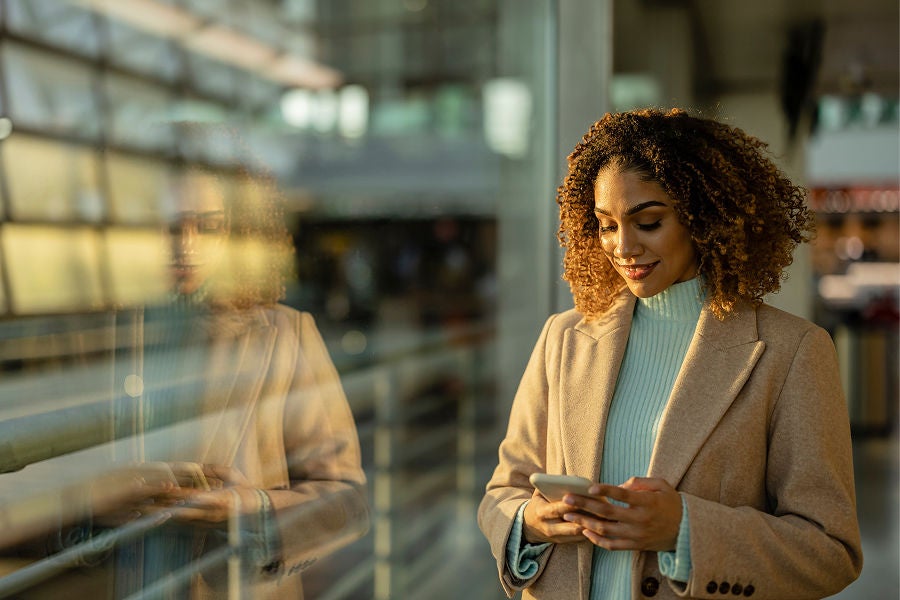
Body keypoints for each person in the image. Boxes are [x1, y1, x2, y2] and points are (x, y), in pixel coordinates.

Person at [478, 108, 862, 599]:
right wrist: (529, 521)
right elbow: (501, 492)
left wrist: (684, 530)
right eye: (606, 225)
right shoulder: (564, 338)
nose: (624, 247)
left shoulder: (791, 352)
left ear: (703, 217)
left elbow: (830, 550)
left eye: (649, 222)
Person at [0, 160, 369, 599]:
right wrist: (88, 503)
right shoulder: (82, 336)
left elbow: (346, 503)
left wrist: (251, 508)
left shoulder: (284, 335)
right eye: (166, 226)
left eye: (207, 227)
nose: (185, 246)